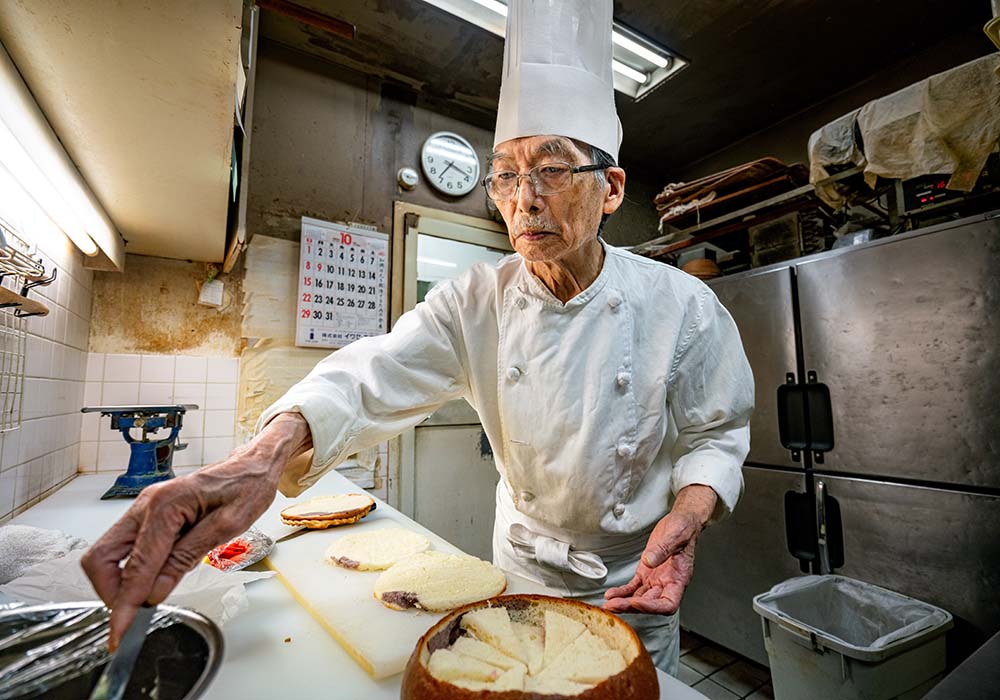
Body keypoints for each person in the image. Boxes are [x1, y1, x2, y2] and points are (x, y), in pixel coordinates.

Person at [82, 0, 753, 675]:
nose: (523, 198)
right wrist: (260, 460)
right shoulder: (474, 300)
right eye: (506, 175)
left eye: (551, 169)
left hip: (636, 575)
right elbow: (373, 373)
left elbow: (715, 436)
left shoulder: (681, 303)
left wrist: (688, 520)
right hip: (521, 567)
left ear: (610, 189)